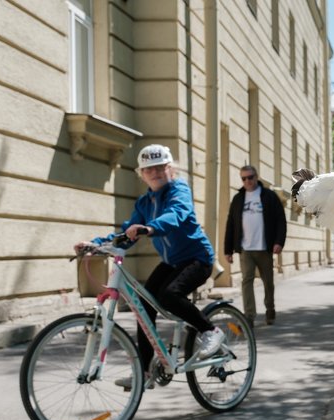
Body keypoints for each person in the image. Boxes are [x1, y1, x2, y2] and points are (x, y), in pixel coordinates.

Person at [74, 144, 225, 388]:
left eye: (159, 167)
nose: (154, 173)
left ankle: (210, 331)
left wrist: (150, 227)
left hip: (198, 259)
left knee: (169, 295)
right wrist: (96, 244)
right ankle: (143, 372)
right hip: (172, 262)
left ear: (170, 169)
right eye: (148, 169)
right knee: (144, 306)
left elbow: (176, 214)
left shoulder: (179, 190)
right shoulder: (145, 203)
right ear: (141, 174)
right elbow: (127, 233)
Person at [223, 165, 287, 326]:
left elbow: (281, 220)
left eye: (250, 177)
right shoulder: (238, 199)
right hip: (246, 248)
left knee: (268, 281)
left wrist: (279, 242)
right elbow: (231, 224)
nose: (247, 181)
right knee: (247, 281)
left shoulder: (269, 196)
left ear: (256, 177)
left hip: (265, 247)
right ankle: (249, 316)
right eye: (244, 178)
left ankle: (270, 309)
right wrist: (228, 250)